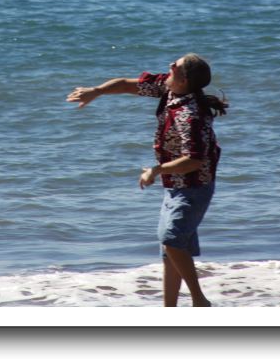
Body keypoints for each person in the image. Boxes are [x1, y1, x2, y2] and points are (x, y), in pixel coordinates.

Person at [66, 54, 227, 307]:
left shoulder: (189, 114)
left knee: (172, 241)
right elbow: (126, 85)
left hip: (194, 186)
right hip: (176, 185)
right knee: (170, 251)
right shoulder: (169, 88)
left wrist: (155, 171)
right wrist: (96, 91)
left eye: (175, 66)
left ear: (184, 79)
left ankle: (199, 301)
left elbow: (194, 160)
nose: (169, 66)